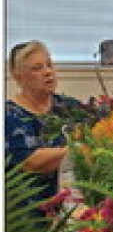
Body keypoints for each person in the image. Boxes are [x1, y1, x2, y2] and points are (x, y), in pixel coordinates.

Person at [6, 40, 83, 206]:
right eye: (37, 68)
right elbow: (30, 162)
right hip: (32, 214)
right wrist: (80, 150)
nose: (48, 72)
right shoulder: (9, 115)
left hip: (79, 205)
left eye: (49, 65)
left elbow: (100, 134)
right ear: (17, 76)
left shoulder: (70, 106)